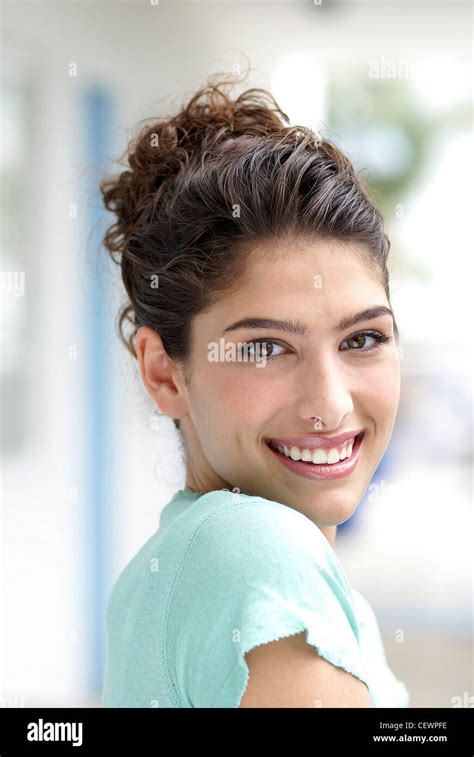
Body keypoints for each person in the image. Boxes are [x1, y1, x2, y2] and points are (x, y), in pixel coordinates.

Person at [99, 70, 410, 708]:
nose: (329, 404)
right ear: (164, 372)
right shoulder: (256, 559)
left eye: (361, 339)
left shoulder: (170, 570)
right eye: (266, 348)